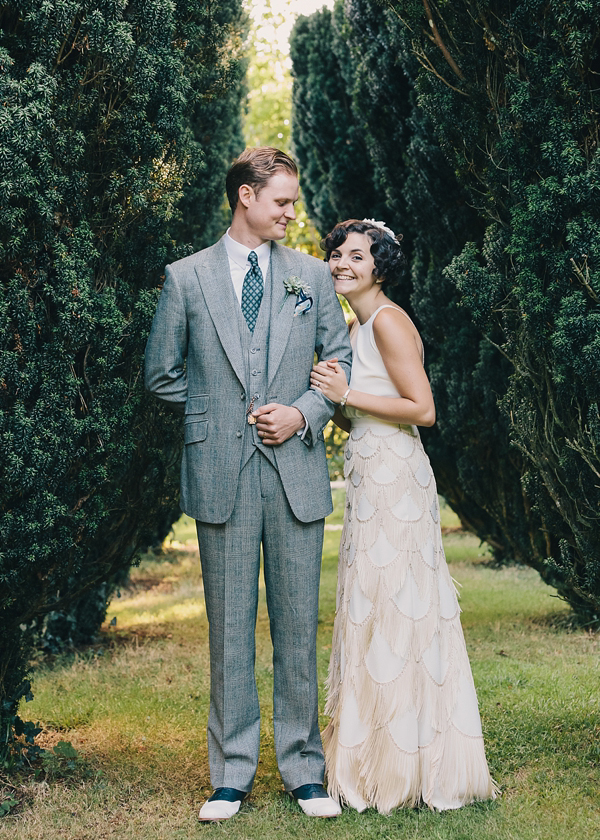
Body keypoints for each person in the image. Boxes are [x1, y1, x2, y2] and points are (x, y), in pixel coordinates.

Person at [144, 148, 352, 821]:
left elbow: (339, 358)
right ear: (245, 196)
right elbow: (162, 374)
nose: (294, 213)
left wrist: (302, 412)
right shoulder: (186, 278)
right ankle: (230, 775)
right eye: (283, 202)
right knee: (229, 630)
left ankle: (305, 772)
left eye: (294, 202)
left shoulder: (312, 277)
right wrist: (222, 413)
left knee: (297, 627)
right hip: (220, 474)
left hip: (294, 471)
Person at [310, 219, 497, 813]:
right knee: (372, 607)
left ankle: (406, 769)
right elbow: (364, 411)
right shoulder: (356, 325)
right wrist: (339, 401)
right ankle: (374, 757)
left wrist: (344, 396)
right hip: (370, 474)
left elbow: (423, 408)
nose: (342, 263)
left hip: (397, 480)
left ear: (379, 267)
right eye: (337, 254)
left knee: (398, 610)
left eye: (356, 256)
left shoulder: (388, 321)